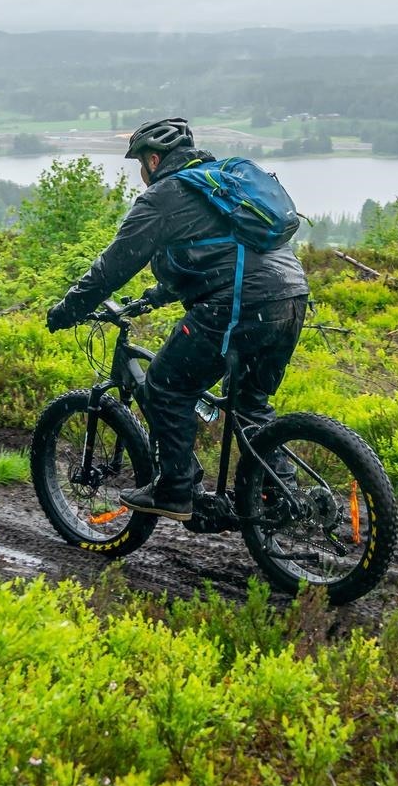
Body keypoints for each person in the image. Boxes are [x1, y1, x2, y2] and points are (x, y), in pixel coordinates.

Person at [46, 117, 311, 520]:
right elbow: (214, 253)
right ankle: (282, 501)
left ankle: (175, 491)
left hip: (240, 302)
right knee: (249, 403)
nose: (141, 173)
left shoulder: (164, 196)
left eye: (140, 163)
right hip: (291, 295)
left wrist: (68, 310)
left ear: (153, 159)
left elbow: (112, 267)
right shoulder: (217, 187)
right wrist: (154, 297)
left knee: (166, 385)